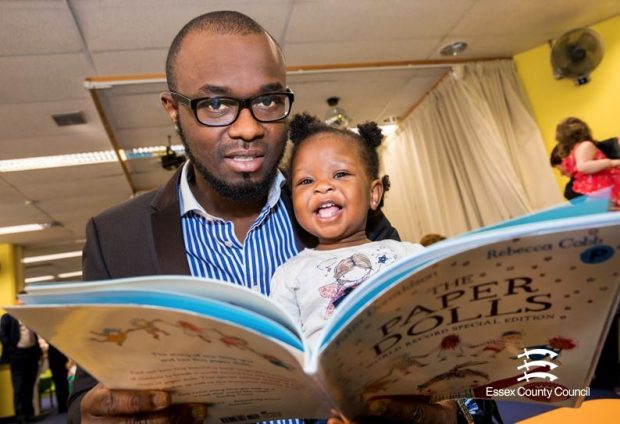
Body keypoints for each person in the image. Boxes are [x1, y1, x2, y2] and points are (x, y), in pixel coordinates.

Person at [67, 10, 457, 424]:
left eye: (268, 100)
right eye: (216, 104)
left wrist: (435, 414)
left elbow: (433, 371)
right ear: (172, 109)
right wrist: (98, 417)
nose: (249, 128)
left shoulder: (342, 212)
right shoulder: (116, 238)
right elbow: (87, 400)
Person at [270, 113, 425, 347]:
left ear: (374, 194)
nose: (322, 186)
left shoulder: (410, 255)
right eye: (306, 181)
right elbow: (285, 347)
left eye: (340, 174)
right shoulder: (289, 275)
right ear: (293, 201)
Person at [553, 117, 620, 207]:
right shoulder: (586, 145)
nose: (562, 173)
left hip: (592, 186)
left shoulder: (574, 151)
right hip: (601, 183)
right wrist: (611, 162)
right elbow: (582, 166)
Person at [1, 305, 42, 424]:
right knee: (19, 386)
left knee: (30, 384)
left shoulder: (29, 316)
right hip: (17, 356)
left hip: (32, 355)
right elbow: (3, 335)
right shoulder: (8, 317)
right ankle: (21, 416)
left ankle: (29, 413)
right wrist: (11, 350)